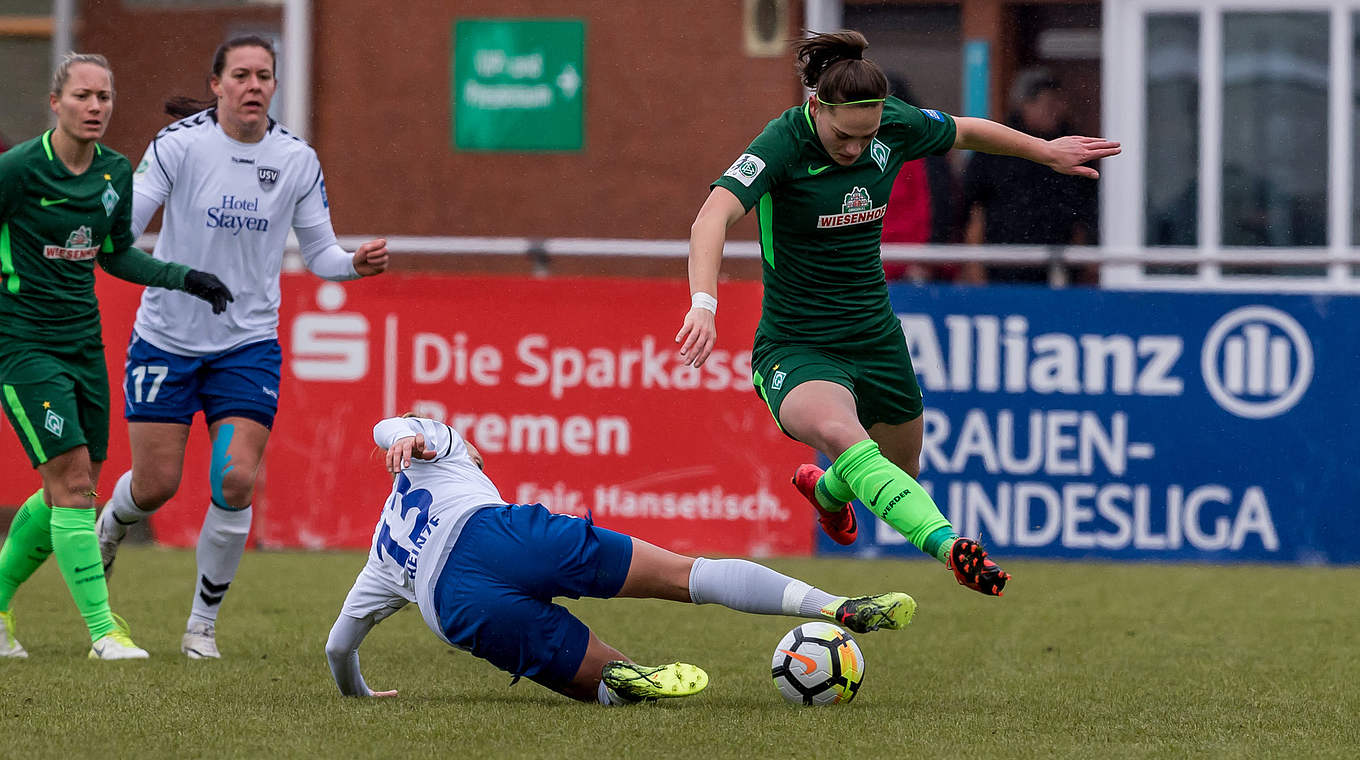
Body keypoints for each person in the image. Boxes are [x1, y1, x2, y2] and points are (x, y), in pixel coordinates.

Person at [674, 31, 1120, 595]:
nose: (855, 149)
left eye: (866, 137)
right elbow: (710, 219)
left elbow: (966, 130)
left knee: (899, 472)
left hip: (876, 338)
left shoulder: (892, 123)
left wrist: (1047, 150)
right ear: (817, 106)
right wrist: (705, 303)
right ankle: (952, 547)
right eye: (843, 136)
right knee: (844, 433)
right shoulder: (781, 143)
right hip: (797, 345)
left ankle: (829, 492)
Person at [95, 35, 391, 660]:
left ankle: (201, 626)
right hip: (166, 339)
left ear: (273, 87)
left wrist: (354, 264)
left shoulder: (296, 160)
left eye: (264, 76)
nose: (254, 85)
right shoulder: (179, 146)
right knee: (155, 486)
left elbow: (321, 255)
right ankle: (111, 527)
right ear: (217, 85)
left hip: (245, 346)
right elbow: (127, 224)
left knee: (235, 478)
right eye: (242, 75)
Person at [325, 414, 917, 703]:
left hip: (452, 602)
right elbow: (391, 426)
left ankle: (624, 676)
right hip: (503, 535)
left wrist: (359, 696)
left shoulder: (378, 560)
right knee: (688, 575)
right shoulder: (448, 450)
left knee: (598, 679)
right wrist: (404, 436)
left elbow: (338, 647)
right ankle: (834, 605)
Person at [0, 53, 233, 659]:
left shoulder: (113, 173)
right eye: (82, 96)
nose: (95, 106)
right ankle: (105, 632)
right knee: (76, 486)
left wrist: (186, 277)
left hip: (84, 345)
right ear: (56, 102)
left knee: (66, 491)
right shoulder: (20, 169)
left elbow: (115, 254)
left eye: (104, 96)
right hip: (23, 345)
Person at [962, 68, 1101, 284]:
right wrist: (973, 265)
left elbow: (1087, 212)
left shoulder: (1074, 150)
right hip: (1001, 265)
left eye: (1059, 103)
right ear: (1025, 105)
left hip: (1060, 267)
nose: (1058, 110)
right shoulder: (995, 148)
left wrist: (1088, 257)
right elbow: (971, 210)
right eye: (1049, 104)